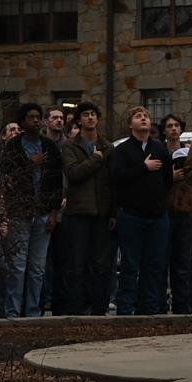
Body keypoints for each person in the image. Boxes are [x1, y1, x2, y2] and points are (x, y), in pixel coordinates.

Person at [0, 102, 62, 319]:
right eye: (31, 117)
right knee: (17, 266)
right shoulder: (13, 146)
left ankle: (33, 311)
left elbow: (56, 183)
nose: (35, 120)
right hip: (19, 212)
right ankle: (13, 312)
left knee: (37, 268)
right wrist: (29, 164)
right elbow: (7, 176)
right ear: (23, 121)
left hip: (43, 212)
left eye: (38, 117)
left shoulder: (50, 147)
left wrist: (54, 213)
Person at [108, 106, 174, 317]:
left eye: (146, 116)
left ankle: (149, 310)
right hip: (131, 215)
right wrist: (143, 168)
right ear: (131, 124)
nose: (144, 119)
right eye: (138, 116)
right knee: (130, 265)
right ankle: (125, 310)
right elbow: (117, 177)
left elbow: (167, 179)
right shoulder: (122, 150)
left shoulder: (159, 148)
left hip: (157, 216)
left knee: (154, 265)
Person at [54, 103, 113, 317]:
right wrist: (95, 159)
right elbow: (73, 173)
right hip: (79, 212)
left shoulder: (107, 146)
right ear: (79, 120)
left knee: (101, 265)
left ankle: (99, 309)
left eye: (93, 114)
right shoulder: (70, 146)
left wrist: (112, 212)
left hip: (101, 212)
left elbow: (111, 182)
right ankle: (76, 310)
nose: (90, 118)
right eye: (86, 115)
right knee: (76, 265)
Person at [161, 114, 192, 314]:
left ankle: (182, 305)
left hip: (187, 209)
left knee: (184, 263)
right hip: (165, 210)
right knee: (162, 261)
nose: (173, 129)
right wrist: (169, 177)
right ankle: (161, 304)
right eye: (169, 126)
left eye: (176, 125)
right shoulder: (160, 151)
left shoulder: (190, 150)